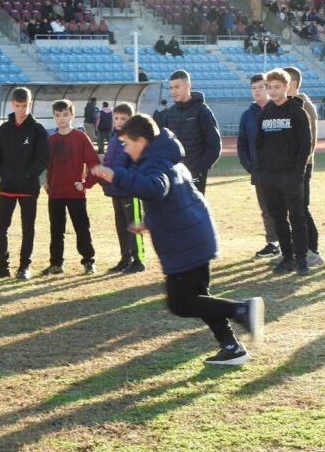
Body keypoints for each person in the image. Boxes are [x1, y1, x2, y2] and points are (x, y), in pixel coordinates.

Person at [92, 114, 265, 366]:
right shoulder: (164, 158)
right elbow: (175, 201)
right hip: (195, 237)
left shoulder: (155, 163)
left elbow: (155, 188)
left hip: (186, 244)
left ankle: (242, 309)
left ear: (141, 141)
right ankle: (231, 347)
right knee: (201, 298)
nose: (126, 150)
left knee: (180, 303)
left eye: (127, 144)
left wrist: (116, 175)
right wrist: (149, 222)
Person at [0, 87, 49, 281]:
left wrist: (28, 175)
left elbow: (43, 158)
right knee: (0, 227)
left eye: (25, 105)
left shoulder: (37, 130)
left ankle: (24, 267)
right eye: (18, 105)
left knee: (27, 228)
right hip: (7, 187)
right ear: (12, 104)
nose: (21, 109)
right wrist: (3, 173)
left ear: (30, 104)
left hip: (28, 188)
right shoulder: (4, 129)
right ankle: (2, 267)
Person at [256, 68, 312, 277]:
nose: (272, 91)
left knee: (297, 218)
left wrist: (297, 173)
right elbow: (259, 144)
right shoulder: (265, 113)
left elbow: (305, 144)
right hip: (270, 176)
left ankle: (302, 260)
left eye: (277, 87)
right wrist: (262, 172)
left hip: (290, 175)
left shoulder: (297, 112)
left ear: (287, 87)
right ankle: (287, 258)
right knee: (278, 219)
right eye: (269, 87)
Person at [42, 99, 101, 276]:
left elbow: (94, 164)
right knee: (56, 230)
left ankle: (88, 262)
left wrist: (86, 183)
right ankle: (55, 264)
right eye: (58, 115)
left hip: (76, 194)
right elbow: (46, 165)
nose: (61, 118)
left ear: (73, 116)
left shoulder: (80, 137)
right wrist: (46, 182)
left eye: (65, 114)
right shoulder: (50, 140)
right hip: (55, 194)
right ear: (53, 117)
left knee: (82, 229)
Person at [99, 103, 146, 274]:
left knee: (132, 224)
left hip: (128, 191)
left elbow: (136, 165)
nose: (119, 122)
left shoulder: (134, 140)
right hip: (115, 191)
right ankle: (125, 257)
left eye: (123, 119)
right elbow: (109, 163)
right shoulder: (113, 139)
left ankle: (138, 259)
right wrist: (104, 181)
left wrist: (126, 181)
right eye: (116, 118)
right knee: (120, 225)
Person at [283, 67, 322, 267]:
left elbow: (310, 141)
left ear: (293, 83)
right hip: (289, 167)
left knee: (301, 208)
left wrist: (301, 164)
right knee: (294, 208)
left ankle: (312, 249)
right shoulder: (287, 105)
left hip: (303, 166)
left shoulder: (304, 106)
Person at [238, 74, 280, 259]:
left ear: (268, 89)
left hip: (280, 170)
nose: (257, 91)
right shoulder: (247, 115)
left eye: (261, 87)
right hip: (259, 171)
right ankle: (272, 243)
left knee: (283, 207)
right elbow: (242, 143)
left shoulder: (279, 110)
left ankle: (289, 242)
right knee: (266, 209)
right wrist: (249, 165)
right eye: (254, 88)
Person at [162, 70, 221, 194]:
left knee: (194, 212)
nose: (173, 91)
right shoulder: (169, 113)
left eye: (177, 87)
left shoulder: (202, 111)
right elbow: (165, 145)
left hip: (195, 175)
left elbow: (214, 146)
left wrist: (199, 170)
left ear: (188, 85)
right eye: (171, 88)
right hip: (174, 175)